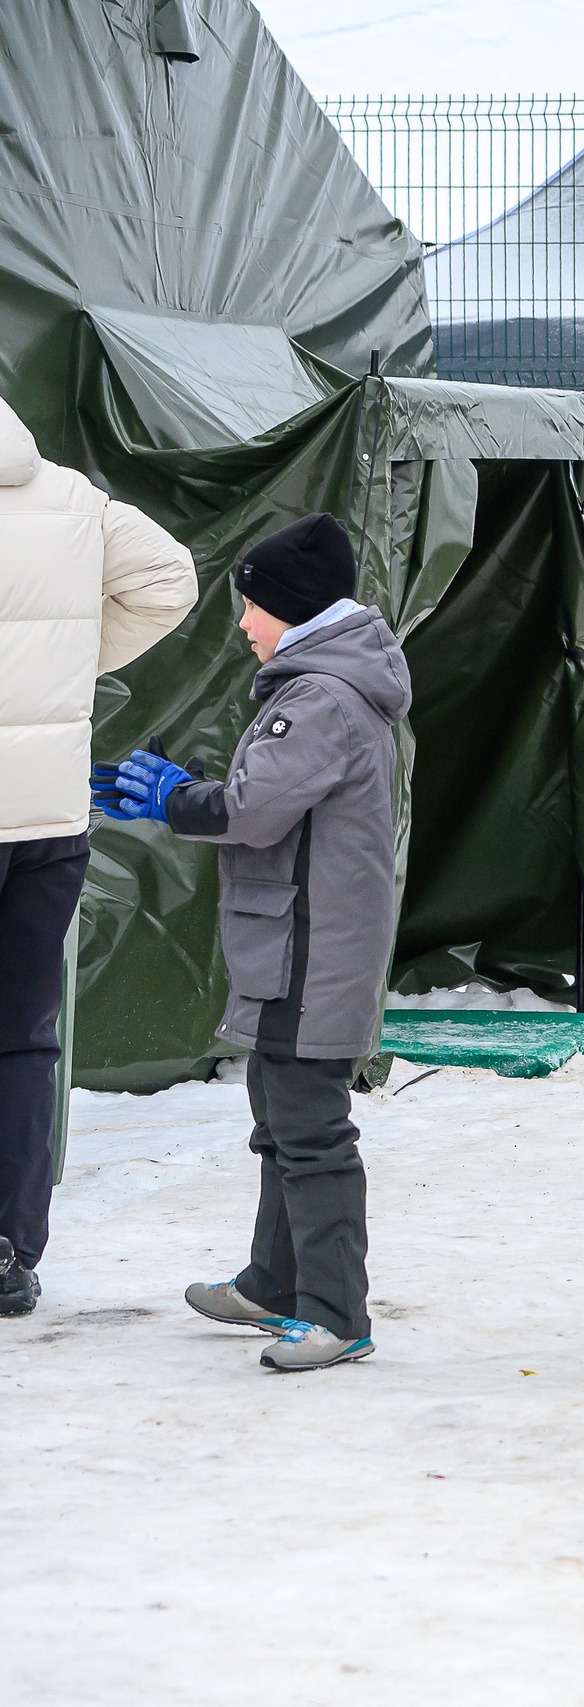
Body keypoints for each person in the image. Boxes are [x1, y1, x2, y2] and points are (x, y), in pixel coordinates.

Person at [96, 513, 407, 1371]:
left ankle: (338, 1312)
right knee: (277, 1118)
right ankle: (275, 1282)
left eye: (253, 606)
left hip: (316, 950)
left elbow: (250, 808)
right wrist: (175, 793)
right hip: (293, 946)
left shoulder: (319, 698)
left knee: (311, 1131)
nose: (243, 623)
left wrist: (174, 799)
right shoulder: (317, 687)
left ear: (292, 606)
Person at [0, 397, 193, 1318]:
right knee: (24, 1038)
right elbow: (170, 580)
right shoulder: (72, 497)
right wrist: (71, 661)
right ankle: (9, 1251)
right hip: (44, 819)